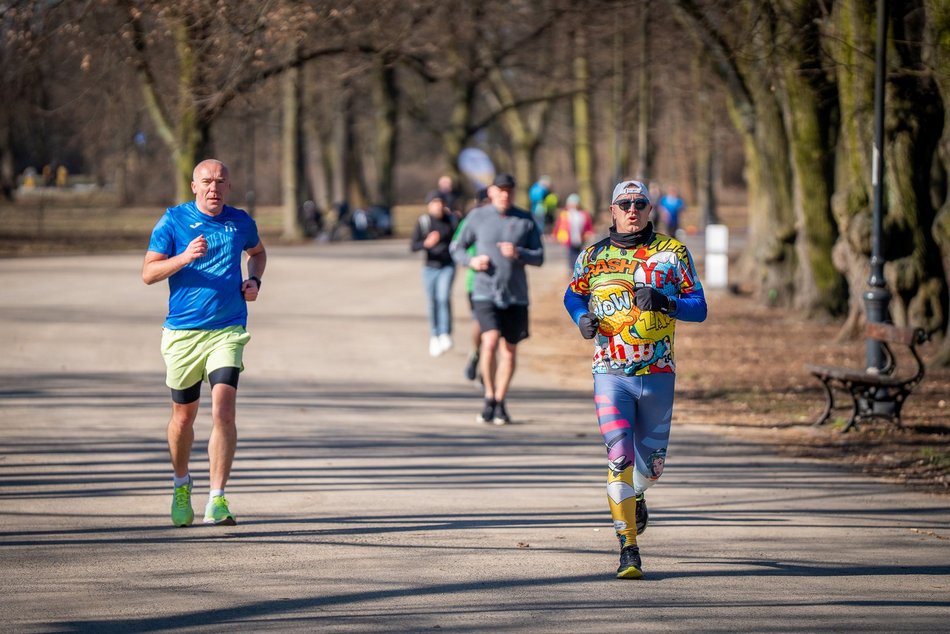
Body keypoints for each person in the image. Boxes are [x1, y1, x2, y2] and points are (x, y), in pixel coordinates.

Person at [563, 179, 706, 579]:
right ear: (611, 210)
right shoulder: (593, 256)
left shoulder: (673, 253)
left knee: (652, 467)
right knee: (618, 456)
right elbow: (573, 294)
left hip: (658, 374)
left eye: (639, 203)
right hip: (610, 372)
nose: (631, 209)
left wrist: (666, 302)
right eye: (623, 203)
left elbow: (700, 308)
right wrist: (581, 318)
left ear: (649, 209)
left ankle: (638, 492)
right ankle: (628, 548)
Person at [142, 159, 267, 528]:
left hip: (227, 329)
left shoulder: (241, 222)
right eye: (207, 182)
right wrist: (184, 257)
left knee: (224, 411)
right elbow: (148, 273)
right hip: (182, 333)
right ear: (194, 186)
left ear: (229, 187)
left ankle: (217, 498)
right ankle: (182, 483)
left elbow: (257, 254)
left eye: (221, 182)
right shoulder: (173, 221)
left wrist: (254, 281)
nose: (214, 188)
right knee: (183, 418)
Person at [450, 174, 543, 424]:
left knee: (509, 352)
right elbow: (456, 247)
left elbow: (539, 256)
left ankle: (500, 402)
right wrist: (471, 261)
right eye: (500, 190)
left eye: (509, 191)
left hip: (516, 295)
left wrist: (520, 253)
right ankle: (489, 396)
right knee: (489, 342)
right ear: (491, 192)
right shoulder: (477, 217)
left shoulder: (525, 219)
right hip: (484, 291)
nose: (505, 195)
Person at [410, 190, 459, 356]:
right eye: (434, 203)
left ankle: (445, 332)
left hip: (447, 265)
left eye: (440, 202)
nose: (438, 206)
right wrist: (426, 243)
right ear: (429, 205)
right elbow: (413, 246)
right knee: (432, 301)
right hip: (429, 267)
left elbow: (460, 240)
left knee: (443, 297)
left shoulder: (451, 221)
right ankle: (434, 335)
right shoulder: (423, 222)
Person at [455, 186, 491, 381]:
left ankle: (488, 374)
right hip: (476, 283)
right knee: (481, 326)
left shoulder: (504, 219)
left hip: (503, 286)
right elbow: (458, 246)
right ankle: (475, 353)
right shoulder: (472, 220)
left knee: (495, 336)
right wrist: (473, 260)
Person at [553, 193, 594, 272]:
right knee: (571, 254)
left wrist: (589, 232)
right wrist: (555, 235)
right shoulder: (564, 214)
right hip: (569, 238)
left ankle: (579, 268)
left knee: (580, 254)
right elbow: (559, 225)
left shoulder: (583, 214)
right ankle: (572, 269)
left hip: (580, 237)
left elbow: (588, 225)